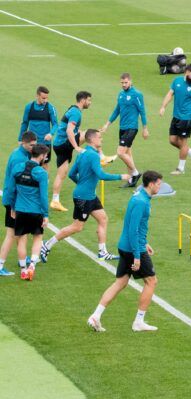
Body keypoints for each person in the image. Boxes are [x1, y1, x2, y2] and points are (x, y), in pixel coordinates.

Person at [86, 170, 163, 333]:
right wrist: (137, 256)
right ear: (151, 184)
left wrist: (145, 241)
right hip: (133, 249)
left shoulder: (139, 196)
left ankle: (95, 316)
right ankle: (139, 322)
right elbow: (133, 230)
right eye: (158, 184)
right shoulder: (141, 201)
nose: (160, 186)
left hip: (128, 246)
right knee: (151, 281)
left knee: (120, 282)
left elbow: (135, 226)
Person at [40, 129, 130, 262]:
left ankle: (102, 252)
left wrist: (82, 184)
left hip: (89, 195)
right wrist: (121, 176)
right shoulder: (93, 156)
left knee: (103, 219)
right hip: (84, 197)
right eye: (99, 137)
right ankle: (47, 245)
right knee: (77, 227)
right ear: (92, 140)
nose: (102, 139)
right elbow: (101, 175)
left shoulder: (82, 153)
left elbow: (71, 174)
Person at [7, 144, 50, 281]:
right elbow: (43, 197)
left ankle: (23, 270)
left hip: (20, 210)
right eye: (46, 155)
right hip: (36, 211)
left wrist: (12, 207)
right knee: (38, 238)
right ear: (42, 156)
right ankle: (32, 265)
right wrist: (46, 215)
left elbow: (11, 191)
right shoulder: (41, 173)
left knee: (22, 241)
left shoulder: (17, 168)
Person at [101, 73, 148, 187]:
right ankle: (132, 180)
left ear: (130, 81)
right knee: (127, 153)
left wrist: (145, 128)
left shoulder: (137, 94)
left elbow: (142, 111)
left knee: (120, 152)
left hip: (132, 128)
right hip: (122, 128)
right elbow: (117, 110)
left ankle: (135, 173)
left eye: (126, 82)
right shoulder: (121, 95)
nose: (123, 84)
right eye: (122, 83)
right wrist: (107, 124)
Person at [0, 132, 36, 276]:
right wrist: (13, 207)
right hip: (13, 201)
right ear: (23, 143)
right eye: (31, 145)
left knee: (22, 231)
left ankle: (23, 258)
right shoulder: (18, 159)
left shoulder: (23, 154)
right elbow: (15, 184)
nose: (33, 148)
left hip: (15, 200)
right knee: (11, 234)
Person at [158, 64, 191, 175]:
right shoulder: (176, 81)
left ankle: (181, 168)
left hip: (187, 118)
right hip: (176, 117)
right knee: (172, 140)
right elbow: (169, 94)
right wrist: (163, 107)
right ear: (186, 72)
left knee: (183, 142)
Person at [51, 91, 91, 212]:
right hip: (64, 143)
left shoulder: (72, 110)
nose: (90, 103)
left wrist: (79, 135)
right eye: (89, 100)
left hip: (58, 144)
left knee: (61, 173)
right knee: (92, 133)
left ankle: (55, 200)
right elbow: (69, 131)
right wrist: (76, 147)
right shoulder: (76, 113)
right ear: (83, 100)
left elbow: (72, 130)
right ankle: (102, 156)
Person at [18, 86, 57, 170]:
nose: (45, 100)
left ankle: (45, 182)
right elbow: (25, 123)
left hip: (45, 144)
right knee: (30, 164)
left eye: (47, 98)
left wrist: (51, 133)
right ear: (37, 96)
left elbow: (55, 124)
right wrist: (20, 139)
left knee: (44, 165)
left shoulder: (50, 108)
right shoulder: (29, 107)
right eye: (43, 98)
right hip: (31, 144)